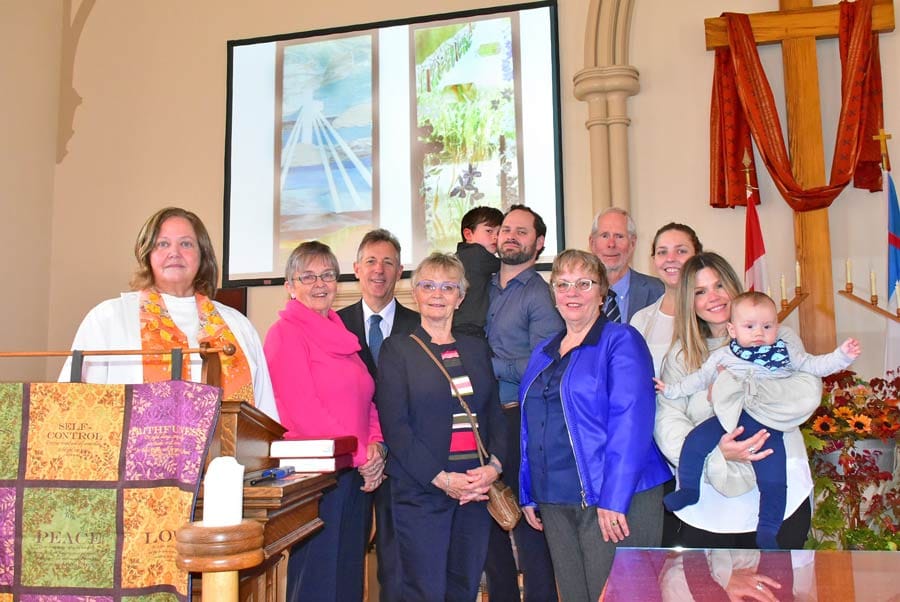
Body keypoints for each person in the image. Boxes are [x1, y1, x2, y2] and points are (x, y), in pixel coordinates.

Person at [519, 249, 672, 600]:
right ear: (553, 293)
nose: (572, 293)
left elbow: (631, 422)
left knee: (619, 596)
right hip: (556, 498)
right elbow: (531, 426)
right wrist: (528, 490)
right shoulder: (543, 351)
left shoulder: (621, 340)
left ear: (602, 293)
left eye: (584, 284)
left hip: (613, 497)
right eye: (563, 284)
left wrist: (614, 499)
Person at [655, 291, 860, 548]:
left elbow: (815, 366)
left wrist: (842, 356)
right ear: (733, 329)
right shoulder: (724, 355)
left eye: (767, 326)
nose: (759, 333)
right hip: (729, 421)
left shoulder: (784, 351)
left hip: (767, 426)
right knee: (695, 442)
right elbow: (697, 380)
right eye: (750, 327)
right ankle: (689, 490)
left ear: (777, 326)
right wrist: (671, 390)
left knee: (774, 480)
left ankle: (768, 530)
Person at [60, 206, 278, 419]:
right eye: (163, 244)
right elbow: (74, 410)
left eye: (186, 244)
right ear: (147, 254)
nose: (174, 253)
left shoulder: (238, 326)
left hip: (228, 446)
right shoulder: (108, 318)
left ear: (202, 255)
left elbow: (264, 418)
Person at [376, 253, 507, 602]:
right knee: (425, 592)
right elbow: (396, 427)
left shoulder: (476, 348)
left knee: (464, 588)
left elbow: (493, 414)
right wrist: (441, 478)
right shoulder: (397, 349)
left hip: (474, 491)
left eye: (448, 287)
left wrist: (493, 468)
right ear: (415, 293)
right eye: (428, 285)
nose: (438, 294)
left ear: (460, 297)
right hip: (422, 492)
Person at [264, 241, 385, 602]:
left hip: (353, 473)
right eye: (308, 276)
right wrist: (361, 456)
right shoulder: (284, 333)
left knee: (347, 575)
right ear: (290, 286)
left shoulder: (343, 335)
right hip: (317, 479)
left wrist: (376, 446)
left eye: (327, 275)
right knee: (318, 580)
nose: (320, 284)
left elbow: (367, 396)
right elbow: (304, 411)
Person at [485, 204, 562, 602]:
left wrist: (485, 364)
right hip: (480, 419)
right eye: (506, 229)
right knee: (487, 523)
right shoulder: (480, 286)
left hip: (519, 419)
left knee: (528, 523)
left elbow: (541, 364)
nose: (511, 236)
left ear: (539, 242)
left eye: (522, 231)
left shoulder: (540, 295)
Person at [337, 228, 419, 601]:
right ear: (356, 268)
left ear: (400, 271)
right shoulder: (334, 324)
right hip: (350, 461)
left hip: (403, 463)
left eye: (388, 262)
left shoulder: (419, 326)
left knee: (397, 565)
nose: (379, 270)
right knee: (343, 558)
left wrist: (385, 446)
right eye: (371, 261)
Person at [630, 222, 704, 375]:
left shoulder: (713, 313)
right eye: (662, 252)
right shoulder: (640, 320)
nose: (670, 258)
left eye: (681, 251)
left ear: (697, 257)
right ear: (653, 261)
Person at [588, 207, 664, 323]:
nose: (611, 244)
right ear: (592, 243)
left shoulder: (660, 292)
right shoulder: (574, 294)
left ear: (632, 243)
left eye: (619, 236)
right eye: (605, 236)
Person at [453, 205, 503, 337]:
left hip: (457, 323)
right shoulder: (476, 254)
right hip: (469, 326)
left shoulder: (462, 254)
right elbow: (507, 265)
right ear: (468, 234)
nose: (495, 237)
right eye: (489, 231)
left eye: (499, 233)